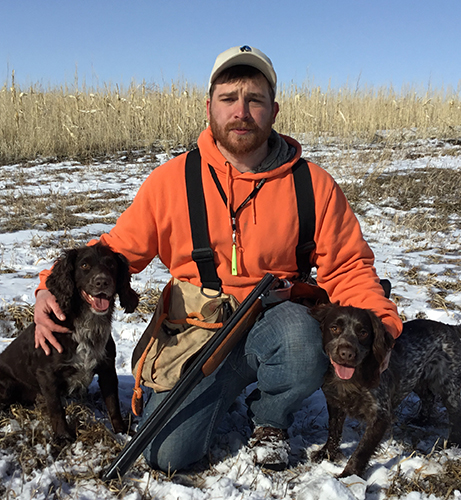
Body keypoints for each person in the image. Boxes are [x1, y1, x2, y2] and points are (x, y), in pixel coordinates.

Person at [34, 45, 402, 472]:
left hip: (276, 322)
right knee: (165, 455)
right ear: (209, 107)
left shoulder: (313, 185)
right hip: (198, 330)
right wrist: (47, 287)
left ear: (274, 110)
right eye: (229, 99)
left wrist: (384, 328)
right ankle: (216, 393)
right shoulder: (172, 181)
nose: (241, 111)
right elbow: (114, 251)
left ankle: (270, 419)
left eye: (255, 100)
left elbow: (348, 267)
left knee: (304, 340)